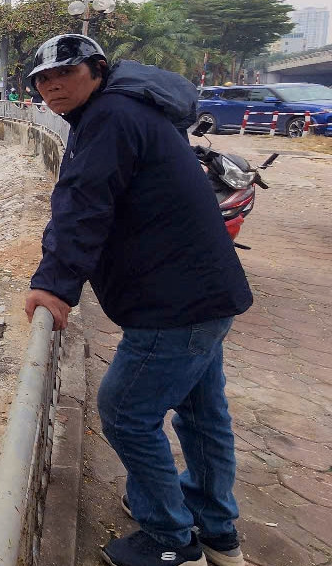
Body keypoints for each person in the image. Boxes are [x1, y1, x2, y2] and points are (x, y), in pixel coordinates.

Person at [23, 34, 251, 566]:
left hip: (172, 302)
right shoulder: (133, 110)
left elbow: (83, 204)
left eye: (65, 73)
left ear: (97, 70)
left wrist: (54, 285)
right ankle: (216, 530)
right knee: (202, 413)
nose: (51, 85)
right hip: (202, 291)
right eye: (42, 79)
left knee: (125, 410)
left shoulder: (109, 118)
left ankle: (172, 540)